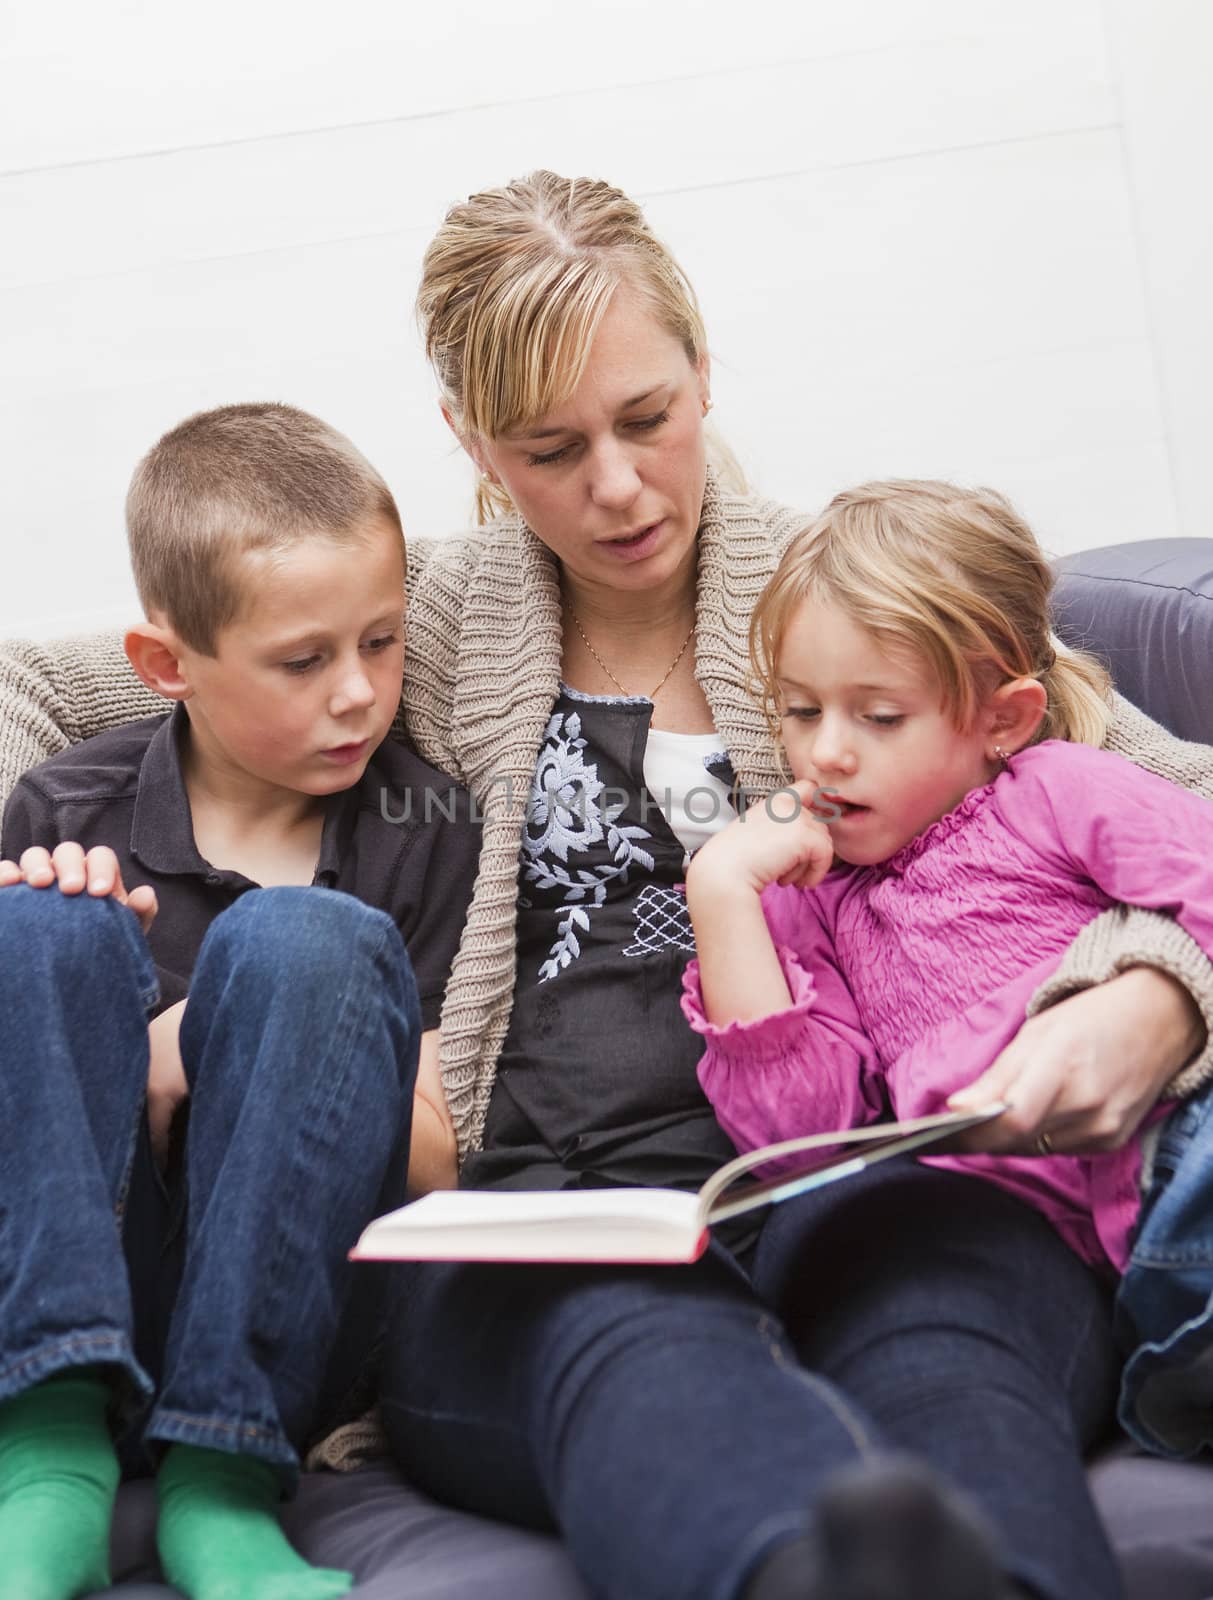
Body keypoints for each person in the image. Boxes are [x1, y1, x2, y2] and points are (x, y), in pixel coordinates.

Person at [2, 173, 1213, 1598]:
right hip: (551, 1209)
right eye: (550, 449)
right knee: (630, 1349)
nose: (618, 486)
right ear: (472, 445)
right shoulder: (416, 620)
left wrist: (1153, 997)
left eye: (647, 418)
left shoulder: (852, 601)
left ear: (704, 368)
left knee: (952, 1342)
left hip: (866, 1170)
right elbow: (43, 684)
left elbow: (1172, 806)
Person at [0, 403, 480, 1600]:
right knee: (35, 924)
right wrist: (104, 1012)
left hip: (292, 1320)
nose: (361, 694)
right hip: (81, 1281)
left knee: (303, 940)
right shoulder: (64, 805)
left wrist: (205, 1045)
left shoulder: (427, 830)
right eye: (305, 660)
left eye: (384, 640)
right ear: (167, 666)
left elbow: (438, 1156)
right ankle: (46, 1448)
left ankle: (219, 1484)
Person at [679, 477, 1213, 1470]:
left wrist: (1154, 997)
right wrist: (722, 895)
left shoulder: (1057, 792)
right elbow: (801, 1143)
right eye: (797, 710)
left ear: (1002, 719)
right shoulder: (811, 901)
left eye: (879, 716)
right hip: (1129, 1263)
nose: (825, 752)